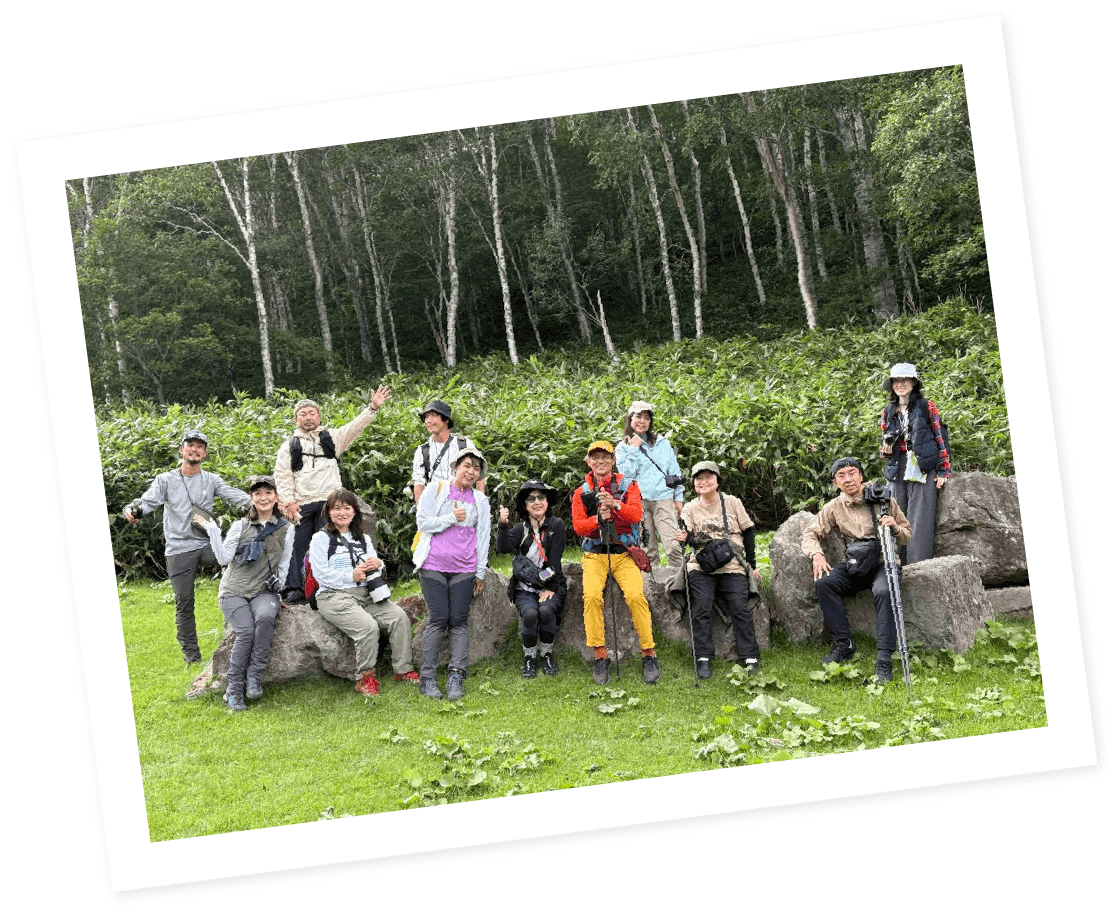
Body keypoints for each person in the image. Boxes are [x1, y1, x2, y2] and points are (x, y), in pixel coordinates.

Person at [123, 429, 250, 663]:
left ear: (205, 454)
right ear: (182, 450)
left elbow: (235, 496)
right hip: (178, 549)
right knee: (184, 603)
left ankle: (249, 611)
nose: (195, 449)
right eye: (190, 445)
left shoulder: (211, 479)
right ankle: (192, 656)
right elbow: (146, 502)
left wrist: (264, 502)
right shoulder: (165, 480)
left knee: (244, 551)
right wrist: (132, 509)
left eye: (200, 446)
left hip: (207, 545)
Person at [273, 386, 391, 602]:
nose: (308, 417)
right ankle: (297, 590)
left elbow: (355, 428)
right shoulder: (289, 447)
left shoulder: (332, 438)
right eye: (303, 414)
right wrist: (288, 502)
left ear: (318, 416)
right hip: (301, 504)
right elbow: (282, 475)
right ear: (296, 420)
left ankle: (325, 587)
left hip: (329, 504)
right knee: (297, 546)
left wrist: (372, 407)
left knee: (330, 544)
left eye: (312, 413)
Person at [801, 457, 912, 682]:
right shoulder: (834, 507)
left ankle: (883, 659)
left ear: (861, 476)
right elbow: (810, 533)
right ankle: (844, 644)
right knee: (825, 582)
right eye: (841, 475)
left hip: (883, 560)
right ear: (835, 483)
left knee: (884, 591)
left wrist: (895, 527)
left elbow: (907, 535)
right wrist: (817, 554)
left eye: (852, 473)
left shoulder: (883, 499)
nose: (848, 479)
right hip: (856, 564)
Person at [195, 475, 293, 711]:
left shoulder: (287, 529)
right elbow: (223, 559)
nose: (263, 498)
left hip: (264, 590)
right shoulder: (240, 526)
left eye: (268, 493)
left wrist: (277, 595)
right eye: (257, 493)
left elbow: (284, 565)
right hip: (234, 591)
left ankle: (254, 677)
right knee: (246, 632)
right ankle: (234, 689)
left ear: (276, 497)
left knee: (267, 618)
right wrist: (212, 530)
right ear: (251, 498)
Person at [309, 489, 419, 697]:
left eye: (347, 508)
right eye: (336, 508)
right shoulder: (320, 539)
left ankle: (403, 670)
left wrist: (378, 564)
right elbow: (320, 574)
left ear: (355, 512)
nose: (342, 513)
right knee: (368, 628)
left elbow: (373, 569)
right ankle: (365, 678)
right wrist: (351, 575)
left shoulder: (363, 539)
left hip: (366, 594)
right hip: (333, 596)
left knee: (399, 617)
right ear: (328, 512)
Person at [571, 440, 660, 686]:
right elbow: (579, 527)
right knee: (591, 597)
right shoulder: (581, 492)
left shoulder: (628, 486)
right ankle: (600, 656)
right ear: (589, 462)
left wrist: (615, 504)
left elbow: (636, 515)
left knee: (635, 596)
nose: (600, 461)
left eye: (605, 457)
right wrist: (597, 519)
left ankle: (648, 653)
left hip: (623, 553)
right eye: (595, 457)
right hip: (594, 555)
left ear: (613, 461)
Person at [413, 448, 492, 700]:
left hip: (465, 567)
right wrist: (450, 517)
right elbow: (422, 522)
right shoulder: (435, 489)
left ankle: (456, 675)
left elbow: (483, 537)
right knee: (438, 619)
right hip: (433, 565)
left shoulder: (480, 500)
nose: (470, 471)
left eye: (476, 468)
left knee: (458, 620)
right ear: (456, 466)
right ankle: (428, 678)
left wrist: (480, 573)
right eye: (466, 465)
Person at [673, 461, 762, 678]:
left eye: (708, 477)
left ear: (717, 481)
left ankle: (750, 656)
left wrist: (752, 564)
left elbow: (748, 533)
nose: (703, 482)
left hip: (732, 564)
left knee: (739, 606)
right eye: (698, 478)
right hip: (701, 566)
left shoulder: (732, 502)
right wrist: (685, 538)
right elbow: (690, 541)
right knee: (701, 606)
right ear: (694, 484)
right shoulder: (690, 508)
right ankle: (703, 656)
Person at [878, 362, 950, 564]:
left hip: (922, 463)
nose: (900, 384)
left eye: (905, 379)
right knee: (895, 513)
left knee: (920, 517)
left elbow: (939, 438)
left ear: (913, 383)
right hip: (897, 466)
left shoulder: (927, 406)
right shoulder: (888, 411)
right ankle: (896, 565)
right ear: (892, 385)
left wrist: (944, 471)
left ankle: (918, 566)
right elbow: (885, 443)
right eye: (896, 380)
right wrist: (885, 450)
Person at [496, 480, 567, 678]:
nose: (537, 502)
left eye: (541, 498)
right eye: (531, 499)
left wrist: (548, 586)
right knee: (529, 614)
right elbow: (502, 548)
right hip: (524, 587)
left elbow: (554, 563)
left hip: (551, 584)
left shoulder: (556, 525)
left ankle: (546, 653)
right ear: (525, 505)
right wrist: (503, 525)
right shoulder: (520, 529)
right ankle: (529, 657)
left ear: (547, 502)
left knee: (545, 611)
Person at [614, 400, 685, 568]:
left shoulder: (662, 443)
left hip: (663, 498)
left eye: (647, 418)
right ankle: (651, 589)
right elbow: (626, 477)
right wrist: (633, 449)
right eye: (638, 416)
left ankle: (681, 585)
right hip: (638, 501)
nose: (642, 421)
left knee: (673, 545)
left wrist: (679, 497)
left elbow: (674, 472)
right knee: (647, 549)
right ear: (630, 419)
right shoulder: (622, 447)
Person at [411, 399, 484, 504]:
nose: (428, 421)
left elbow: (480, 476)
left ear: (446, 419)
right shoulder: (423, 451)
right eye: (426, 417)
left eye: (433, 415)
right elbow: (419, 484)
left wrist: (478, 505)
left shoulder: (464, 445)